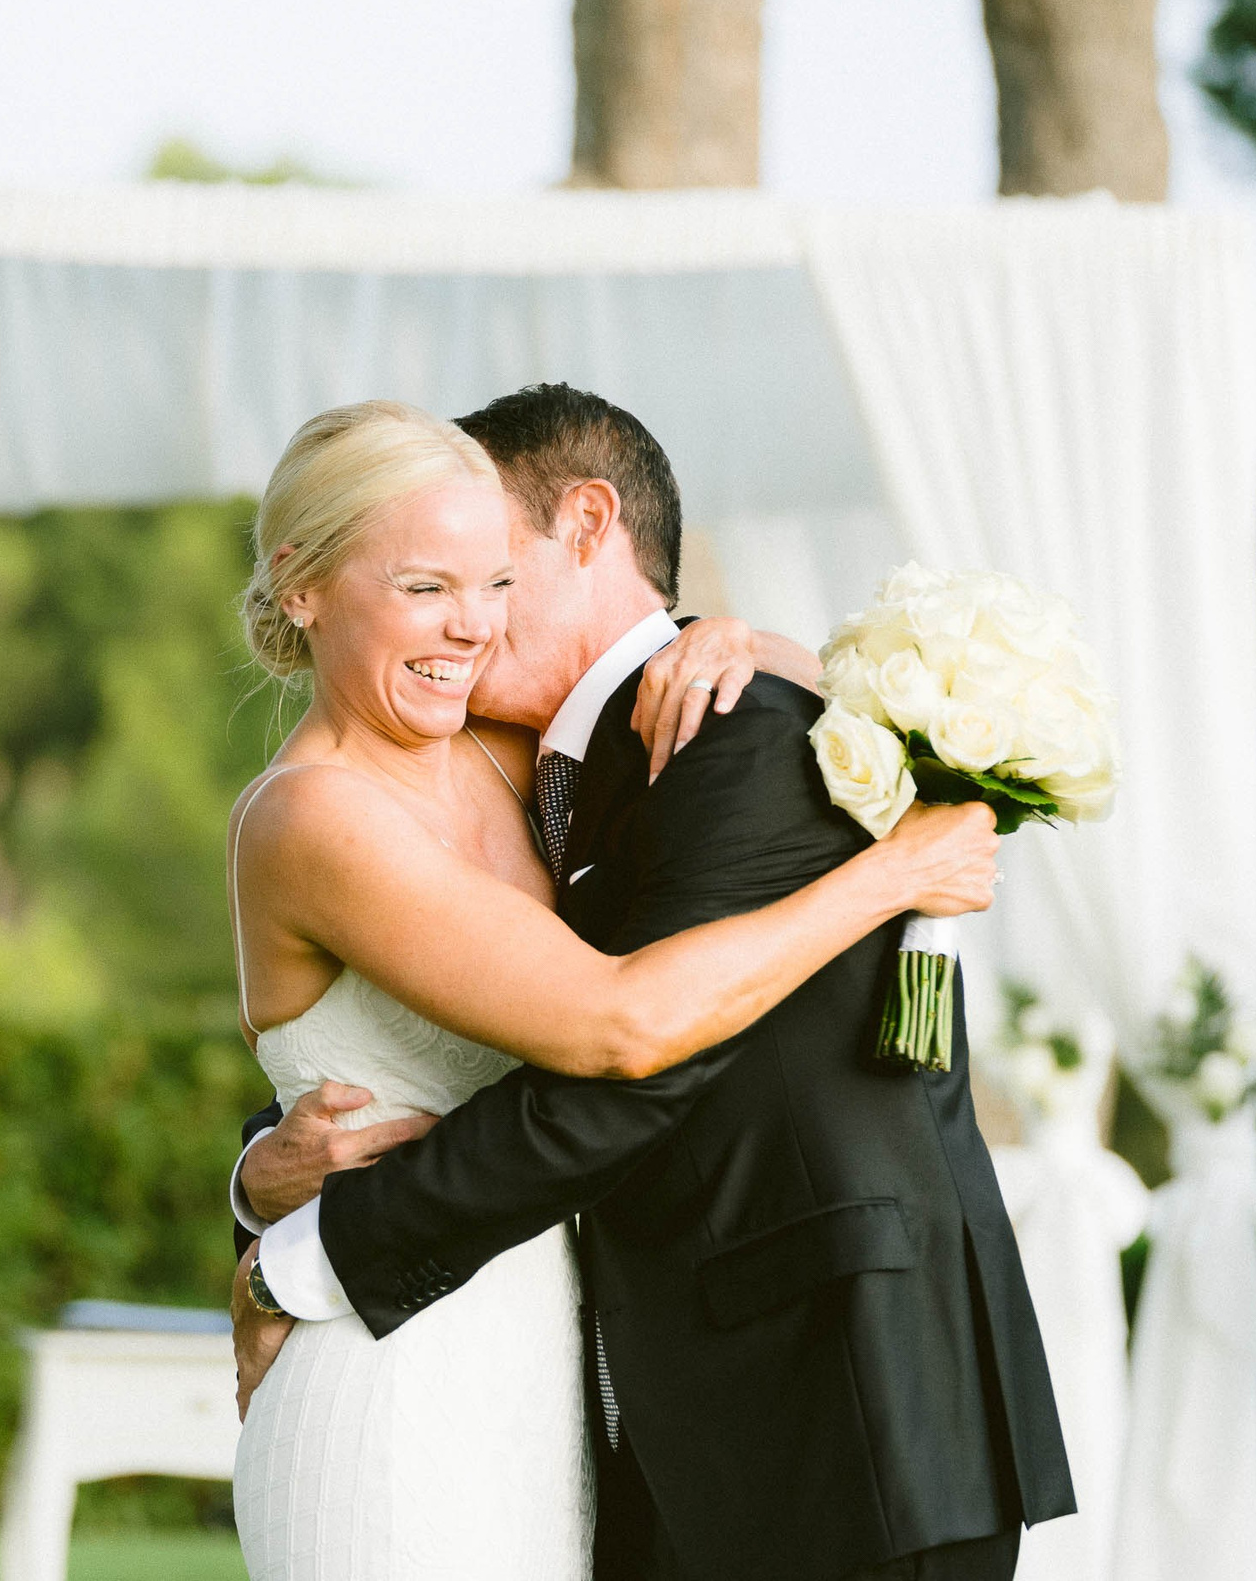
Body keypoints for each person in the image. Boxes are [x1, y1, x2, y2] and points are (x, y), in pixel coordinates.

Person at [221, 393, 1032, 1581]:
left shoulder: (544, 748)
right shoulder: (332, 811)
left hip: (702, 1400)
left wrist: (758, 647)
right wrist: (892, 874)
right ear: (303, 587)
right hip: (412, 1388)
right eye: (426, 586)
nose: (470, 626)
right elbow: (613, 1026)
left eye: (494, 580)